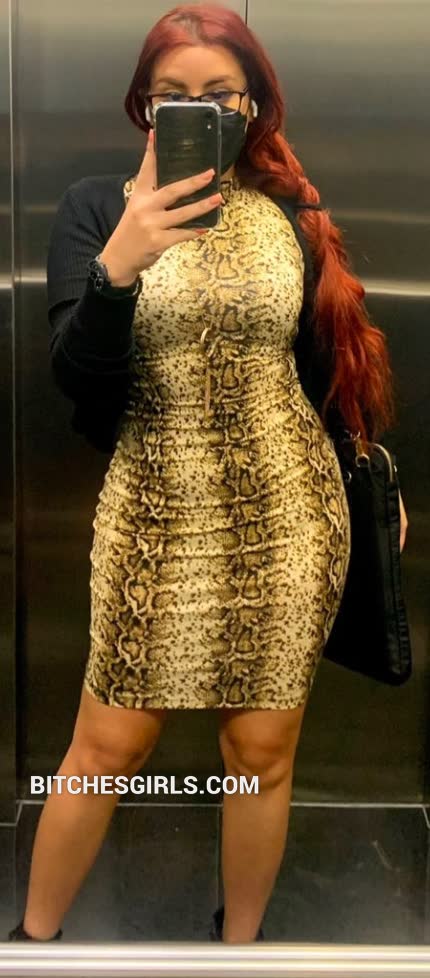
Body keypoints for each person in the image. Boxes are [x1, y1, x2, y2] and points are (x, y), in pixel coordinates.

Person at [8, 1, 408, 946]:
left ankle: (241, 950)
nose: (199, 111)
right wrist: (119, 266)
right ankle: (31, 947)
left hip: (288, 513)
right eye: (173, 96)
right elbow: (75, 379)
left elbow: (325, 369)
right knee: (108, 744)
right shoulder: (97, 208)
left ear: (252, 103)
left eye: (219, 95)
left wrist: (374, 488)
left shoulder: (292, 214)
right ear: (144, 108)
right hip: (153, 512)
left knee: (260, 750)